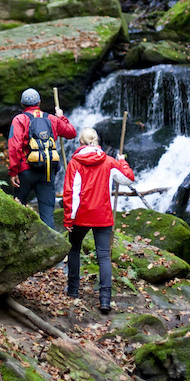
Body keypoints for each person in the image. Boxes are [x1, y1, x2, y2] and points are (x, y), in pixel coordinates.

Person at [62, 128, 134, 314]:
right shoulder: (110, 162)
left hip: (82, 216)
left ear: (80, 142)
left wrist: (69, 219)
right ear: (96, 142)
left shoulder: (75, 163)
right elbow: (128, 179)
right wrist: (122, 161)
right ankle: (104, 299)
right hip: (103, 215)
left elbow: (71, 193)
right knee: (103, 256)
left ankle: (72, 290)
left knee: (74, 249)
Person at [8, 88, 77, 229]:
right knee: (47, 213)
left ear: (22, 103)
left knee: (18, 207)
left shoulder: (19, 120)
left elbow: (14, 146)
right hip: (47, 171)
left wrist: (13, 171)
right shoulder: (51, 119)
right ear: (39, 102)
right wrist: (61, 117)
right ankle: (52, 246)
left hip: (25, 171)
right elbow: (71, 133)